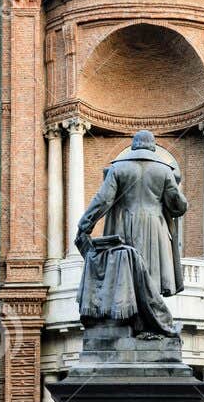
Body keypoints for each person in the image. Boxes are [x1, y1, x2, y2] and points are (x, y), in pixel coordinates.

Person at [74, 131, 187, 338]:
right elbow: (178, 206)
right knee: (150, 278)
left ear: (134, 146)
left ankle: (134, 325)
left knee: (127, 276)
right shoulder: (163, 170)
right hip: (155, 228)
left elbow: (103, 200)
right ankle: (149, 326)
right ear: (153, 147)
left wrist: (85, 225)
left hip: (124, 226)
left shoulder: (118, 168)